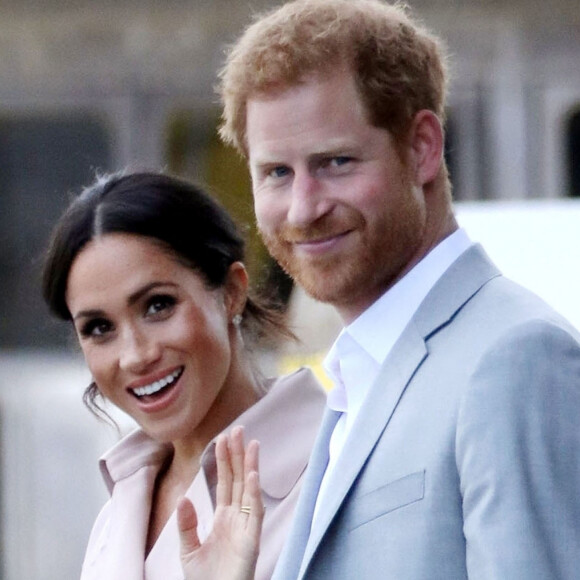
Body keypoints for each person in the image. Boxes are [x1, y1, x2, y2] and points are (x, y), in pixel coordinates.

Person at [180, 0, 580, 578]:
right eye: (276, 173)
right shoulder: (357, 372)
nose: (303, 209)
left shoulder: (516, 359)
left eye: (336, 162)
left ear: (422, 147)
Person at [41, 171, 326, 580]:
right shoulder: (120, 512)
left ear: (231, 292)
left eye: (158, 305)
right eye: (99, 328)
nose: (135, 356)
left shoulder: (334, 468)